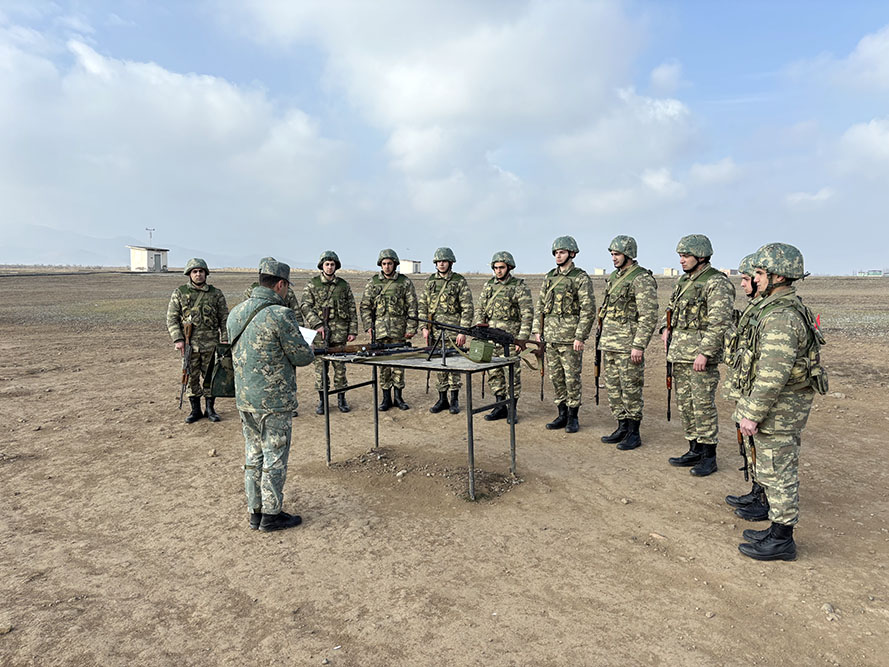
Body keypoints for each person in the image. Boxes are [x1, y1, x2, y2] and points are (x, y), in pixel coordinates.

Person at [732, 243, 826, 560]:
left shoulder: (782, 318)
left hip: (781, 410)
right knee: (772, 470)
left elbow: (772, 374)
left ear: (776, 277)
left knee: (779, 473)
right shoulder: (777, 309)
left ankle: (783, 540)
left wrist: (752, 414)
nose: (753, 279)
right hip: (780, 407)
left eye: (758, 273)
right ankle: (775, 529)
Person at [227, 258, 314, 532]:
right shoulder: (281, 314)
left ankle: (255, 511)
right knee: (275, 455)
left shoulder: (236, 312)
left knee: (253, 455)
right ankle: (272, 515)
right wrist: (309, 347)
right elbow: (301, 356)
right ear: (280, 284)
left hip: (245, 398)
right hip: (274, 401)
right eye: (286, 286)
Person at [662, 234, 735, 475]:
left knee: (702, 405)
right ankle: (694, 447)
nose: (681, 260)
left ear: (701, 257)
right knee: (685, 404)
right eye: (680, 256)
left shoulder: (716, 282)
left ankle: (708, 455)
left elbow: (720, 322)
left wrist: (705, 353)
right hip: (680, 352)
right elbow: (671, 308)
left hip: (699, 357)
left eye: (685, 256)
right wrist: (665, 329)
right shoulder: (684, 281)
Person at [598, 236, 658, 450]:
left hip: (628, 345)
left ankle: (634, 432)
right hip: (611, 342)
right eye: (612, 254)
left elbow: (648, 315)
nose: (613, 258)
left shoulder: (641, 279)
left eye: (617, 254)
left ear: (629, 254)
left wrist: (639, 345)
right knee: (614, 388)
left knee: (630, 388)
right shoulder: (615, 277)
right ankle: (621, 426)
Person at [532, 236, 595, 433]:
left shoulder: (580, 277)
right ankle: (561, 413)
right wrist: (537, 330)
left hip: (569, 338)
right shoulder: (549, 276)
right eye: (556, 253)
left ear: (572, 253)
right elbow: (540, 305)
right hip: (550, 336)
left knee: (571, 378)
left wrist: (580, 336)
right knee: (556, 377)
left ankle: (573, 416)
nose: (558, 256)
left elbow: (588, 309)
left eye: (562, 252)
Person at [723, 253, 769, 520]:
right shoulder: (756, 306)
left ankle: (765, 498)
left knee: (762, 447)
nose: (742, 284)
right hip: (746, 385)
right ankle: (757, 489)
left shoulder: (770, 311)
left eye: (745, 279)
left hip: (757, 389)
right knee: (752, 446)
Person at [166, 257, 229, 423]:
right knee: (190, 377)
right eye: (195, 272)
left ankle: (210, 409)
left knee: (210, 377)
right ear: (189, 274)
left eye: (201, 271)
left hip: (211, 344)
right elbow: (172, 319)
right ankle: (195, 410)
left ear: (206, 274)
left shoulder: (216, 294)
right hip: (189, 344)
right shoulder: (180, 293)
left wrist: (224, 339)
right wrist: (178, 339)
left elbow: (224, 318)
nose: (198, 274)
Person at [474, 251, 533, 423]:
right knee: (494, 372)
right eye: (495, 268)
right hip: (491, 337)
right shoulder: (488, 286)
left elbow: (527, 314)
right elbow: (480, 309)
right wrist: (480, 328)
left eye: (501, 267)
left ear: (509, 268)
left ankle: (512, 408)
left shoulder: (519, 286)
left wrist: (521, 339)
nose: (498, 271)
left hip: (510, 338)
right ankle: (499, 406)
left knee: (511, 374)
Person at [359, 248, 418, 411]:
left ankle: (398, 397)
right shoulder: (373, 283)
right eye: (384, 264)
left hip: (399, 330)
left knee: (399, 363)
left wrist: (412, 327)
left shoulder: (404, 282)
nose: (386, 267)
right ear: (380, 265)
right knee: (383, 364)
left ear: (395, 264)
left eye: (390, 264)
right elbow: (365, 306)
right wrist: (368, 326)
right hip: (380, 331)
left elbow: (412, 306)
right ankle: (386, 398)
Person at [417, 247, 474, 414]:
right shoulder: (430, 282)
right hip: (435, 330)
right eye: (439, 261)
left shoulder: (459, 281)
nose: (441, 264)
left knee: (454, 364)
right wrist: (424, 327)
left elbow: (467, 307)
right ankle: (442, 398)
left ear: (450, 262)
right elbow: (423, 304)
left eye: (444, 261)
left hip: (453, 330)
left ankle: (454, 399)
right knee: (438, 364)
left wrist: (462, 331)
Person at [302, 250, 358, 414]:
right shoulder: (313, 284)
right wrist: (317, 323)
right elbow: (305, 306)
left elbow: (351, 308)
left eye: (332, 264)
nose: (329, 267)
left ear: (336, 266)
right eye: (327, 264)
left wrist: (353, 330)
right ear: (322, 266)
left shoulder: (343, 285)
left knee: (340, 367)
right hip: (320, 334)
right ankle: (323, 401)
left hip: (340, 333)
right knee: (321, 368)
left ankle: (341, 399)